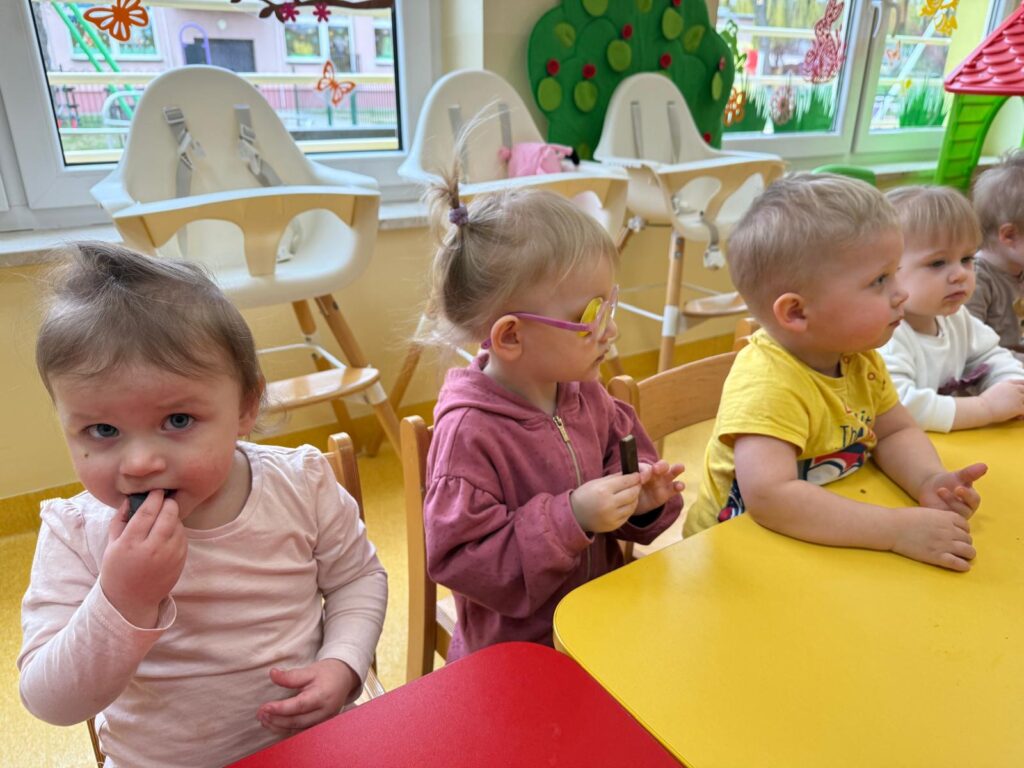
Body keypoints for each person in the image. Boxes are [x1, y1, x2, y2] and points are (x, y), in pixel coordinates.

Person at [18, 242, 387, 768]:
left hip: (313, 747)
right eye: (102, 430)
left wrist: (343, 664)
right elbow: (50, 702)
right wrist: (123, 599)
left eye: (178, 421)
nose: (141, 463)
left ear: (246, 405)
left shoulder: (300, 484)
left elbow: (358, 579)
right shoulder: (76, 533)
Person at [421, 170, 684, 661]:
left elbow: (624, 463)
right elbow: (464, 562)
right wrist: (572, 517)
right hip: (518, 655)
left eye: (610, 306)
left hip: (600, 623)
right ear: (512, 337)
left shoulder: (587, 392)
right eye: (590, 315)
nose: (610, 330)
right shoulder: (468, 435)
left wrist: (641, 500)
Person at [685, 173, 985, 572]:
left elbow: (895, 432)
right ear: (797, 312)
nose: (901, 293)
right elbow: (772, 498)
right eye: (879, 280)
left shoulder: (859, 356)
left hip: (825, 533)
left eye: (896, 272)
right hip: (731, 556)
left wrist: (929, 480)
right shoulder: (768, 382)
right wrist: (895, 530)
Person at [879, 185, 1024, 432]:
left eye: (967, 259)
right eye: (937, 263)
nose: (960, 274)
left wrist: (1012, 386)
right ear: (885, 272)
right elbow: (898, 408)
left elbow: (992, 357)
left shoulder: (956, 318)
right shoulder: (885, 335)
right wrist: (986, 408)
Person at [966, 149, 1024, 357]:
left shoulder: (1018, 265)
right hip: (997, 367)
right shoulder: (975, 281)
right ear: (1009, 235)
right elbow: (971, 350)